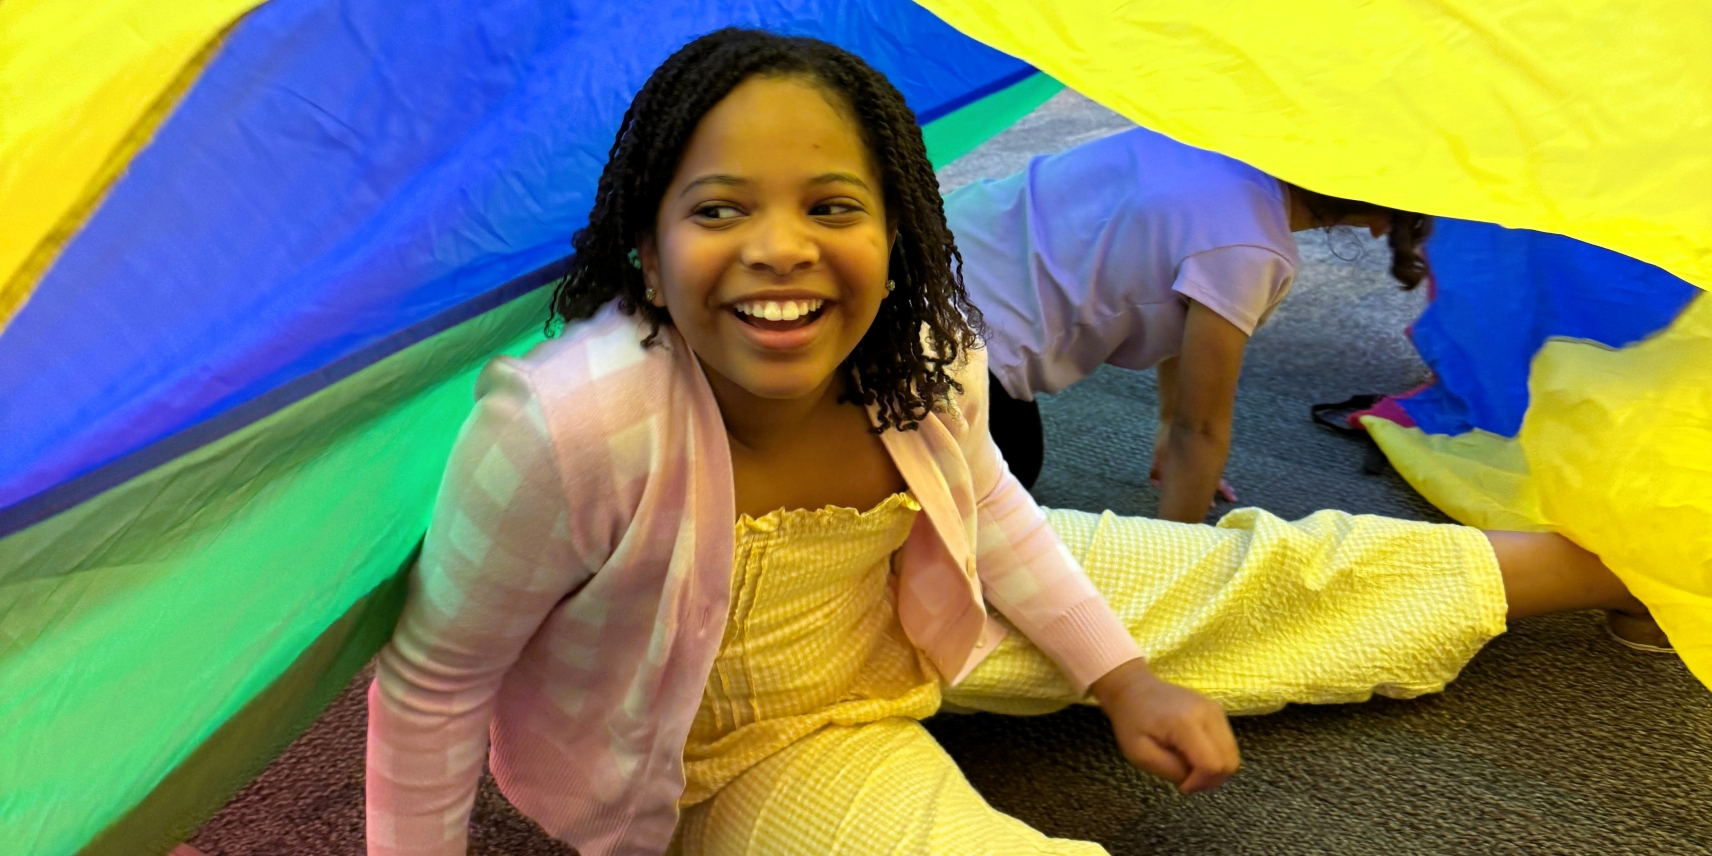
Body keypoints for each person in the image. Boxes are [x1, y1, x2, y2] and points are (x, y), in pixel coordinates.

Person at [365, 29, 1664, 856]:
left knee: (1248, 579)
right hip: (741, 746)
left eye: (833, 205)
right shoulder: (568, 419)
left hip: (928, 606)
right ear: (648, 250)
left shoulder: (923, 347)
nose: (779, 245)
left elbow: (991, 518)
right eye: (720, 208)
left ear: (899, 239)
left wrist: (1124, 680)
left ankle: (1623, 563)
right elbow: (430, 689)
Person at [946, 126, 1432, 522]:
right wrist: (1177, 554)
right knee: (1005, 479)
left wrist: (1165, 422)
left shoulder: (1204, 133)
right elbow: (1200, 429)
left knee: (1003, 458)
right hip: (951, 342)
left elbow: (1189, 306)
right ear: (1381, 222)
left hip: (922, 244)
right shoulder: (1250, 250)